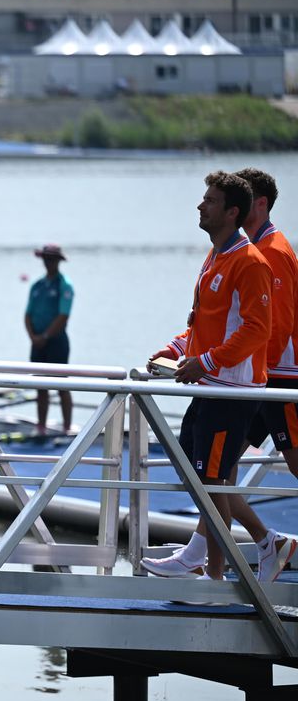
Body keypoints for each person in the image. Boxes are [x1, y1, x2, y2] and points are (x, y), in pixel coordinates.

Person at [142, 168, 298, 582]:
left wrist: (207, 362)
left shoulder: (253, 260)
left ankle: (217, 569)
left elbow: (259, 329)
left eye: (209, 200)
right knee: (204, 475)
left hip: (237, 389)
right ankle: (244, 552)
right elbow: (204, 323)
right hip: (213, 386)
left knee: (214, 479)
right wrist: (176, 351)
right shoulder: (217, 255)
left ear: (232, 212)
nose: (199, 205)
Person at [24, 243, 74, 435]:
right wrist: (33, 337)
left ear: (58, 261)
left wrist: (45, 336)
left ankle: (67, 427)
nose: (48, 262)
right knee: (40, 386)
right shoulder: (37, 285)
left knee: (62, 385)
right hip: (37, 342)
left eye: (51, 259)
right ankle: (41, 426)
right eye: (46, 259)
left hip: (56, 342)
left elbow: (63, 315)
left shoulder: (65, 285)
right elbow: (27, 315)